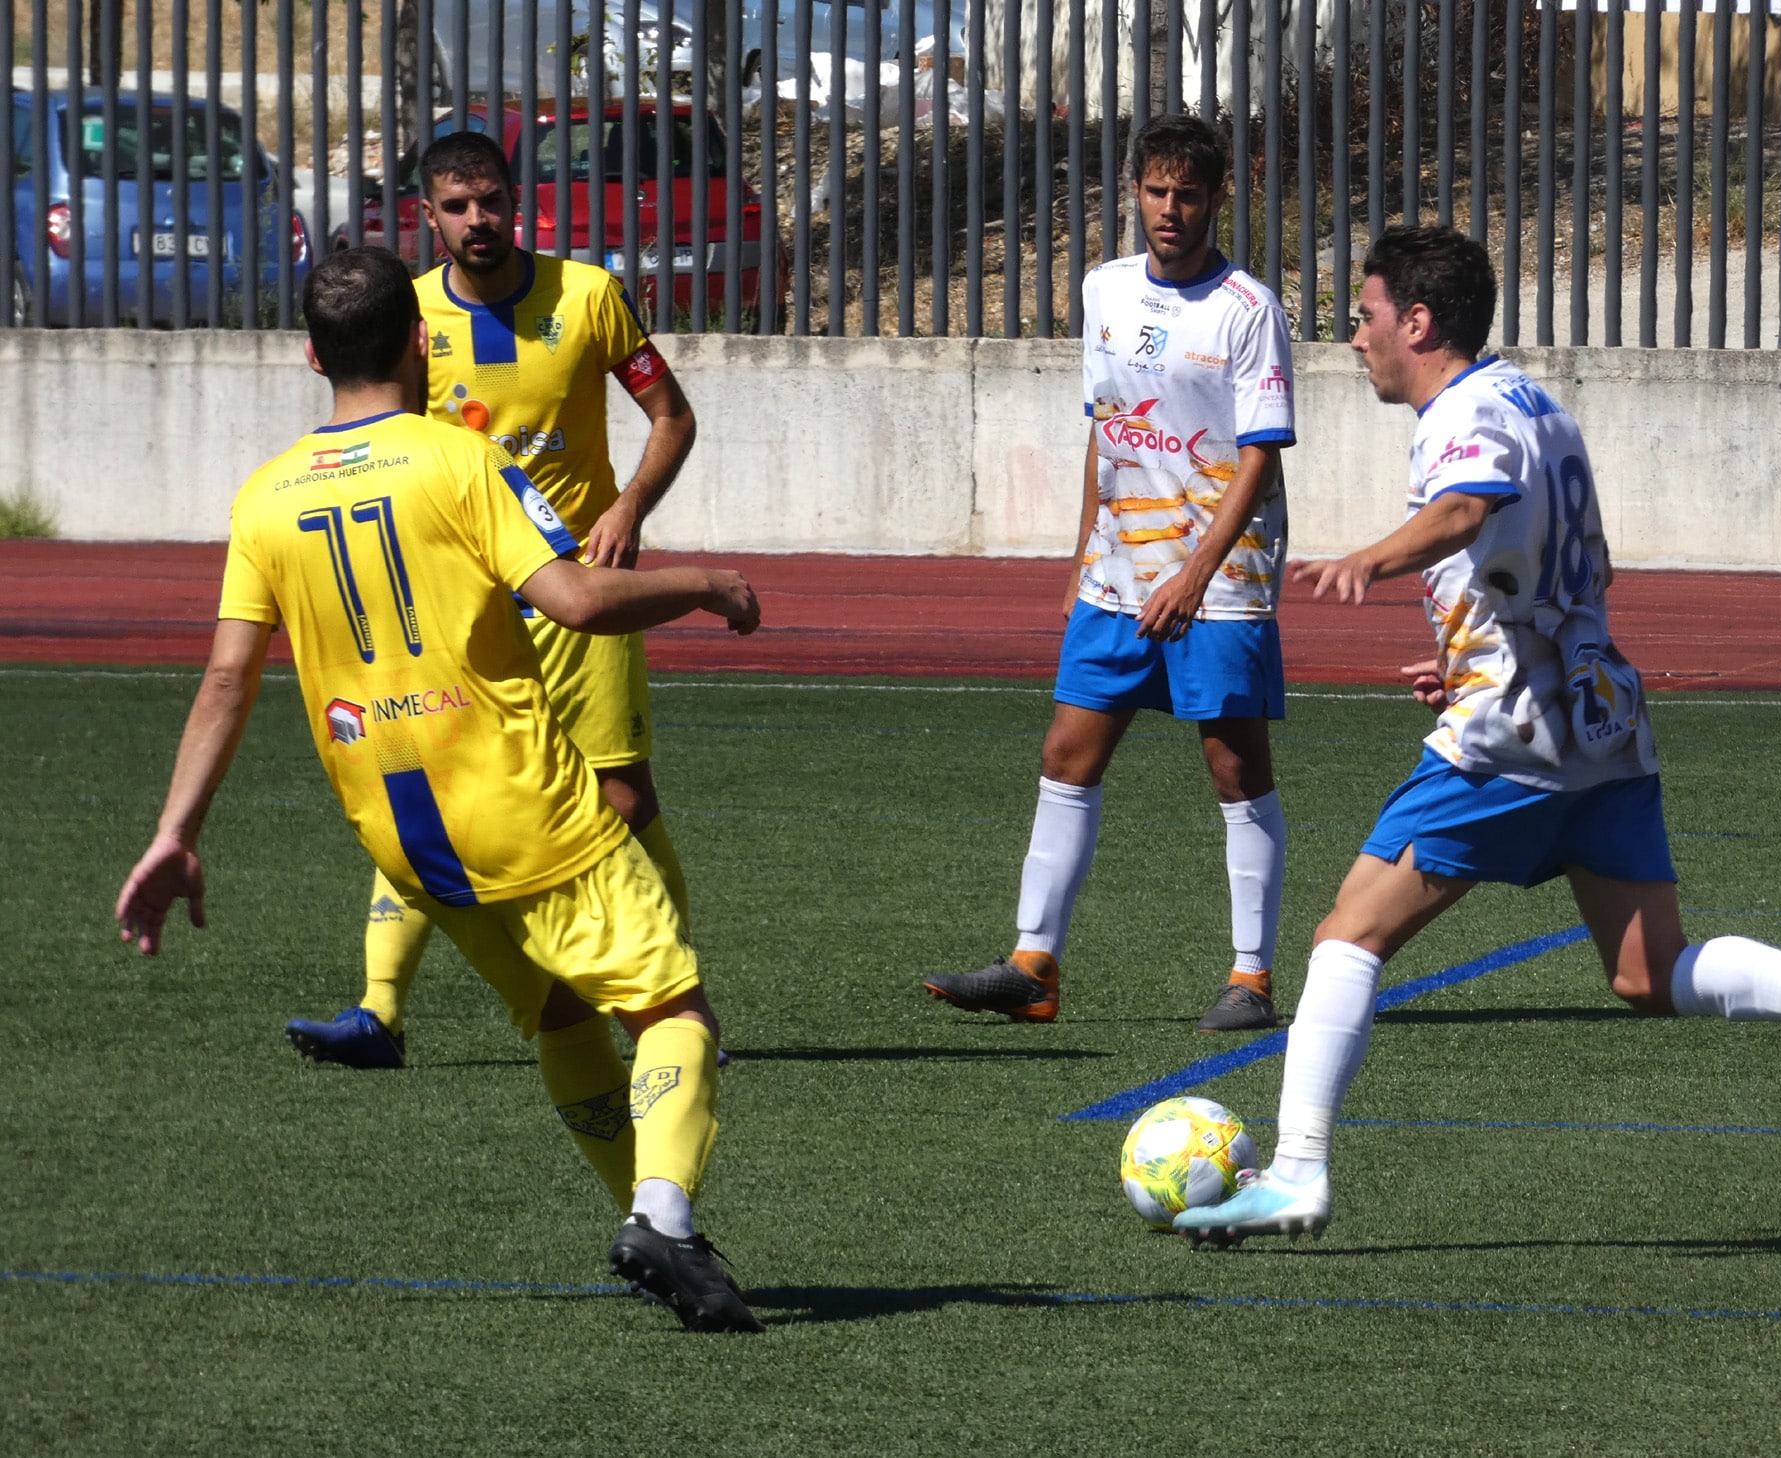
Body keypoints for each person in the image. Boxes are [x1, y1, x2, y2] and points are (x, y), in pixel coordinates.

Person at [1173, 224, 1781, 1243]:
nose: (1353, 337)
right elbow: (1583, 567)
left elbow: (1467, 507)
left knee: (1345, 936)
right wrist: (1470, 650)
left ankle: (1297, 1173)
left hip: (1513, 732)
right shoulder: (1538, 401)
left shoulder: (1466, 410)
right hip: (1599, 715)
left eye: (1364, 317)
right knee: (1647, 970)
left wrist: (1373, 559)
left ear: (1416, 321)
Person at [115, 248, 767, 1332]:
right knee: (672, 1009)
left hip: (400, 833)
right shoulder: (459, 461)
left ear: (309, 356)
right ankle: (661, 1215)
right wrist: (705, 585)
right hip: (520, 801)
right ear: (419, 342)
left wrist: (176, 831)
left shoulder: (264, 498)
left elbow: (228, 674)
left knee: (561, 1013)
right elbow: (574, 599)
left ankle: (670, 1238)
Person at [285, 128, 699, 1070]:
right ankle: (377, 1012)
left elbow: (670, 415)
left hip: (576, 591)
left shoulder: (588, 298)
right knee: (424, 791)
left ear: (521, 203)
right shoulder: (405, 319)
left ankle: (664, 994)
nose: (481, 221)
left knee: (623, 801)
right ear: (428, 218)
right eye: (459, 207)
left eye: (493, 202)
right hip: (463, 609)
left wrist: (629, 507)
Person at [922, 115, 1298, 1032]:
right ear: (1135, 193)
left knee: (1233, 768)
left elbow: (1259, 459)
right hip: (1117, 575)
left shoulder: (1247, 310)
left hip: (1222, 578)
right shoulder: (1103, 290)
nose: (1170, 210)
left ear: (1218, 200)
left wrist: (1194, 577)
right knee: (1066, 756)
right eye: (1157, 192)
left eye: (1189, 194)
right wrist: (1082, 554)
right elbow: (1107, 425)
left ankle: (1250, 978)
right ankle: (1032, 965)